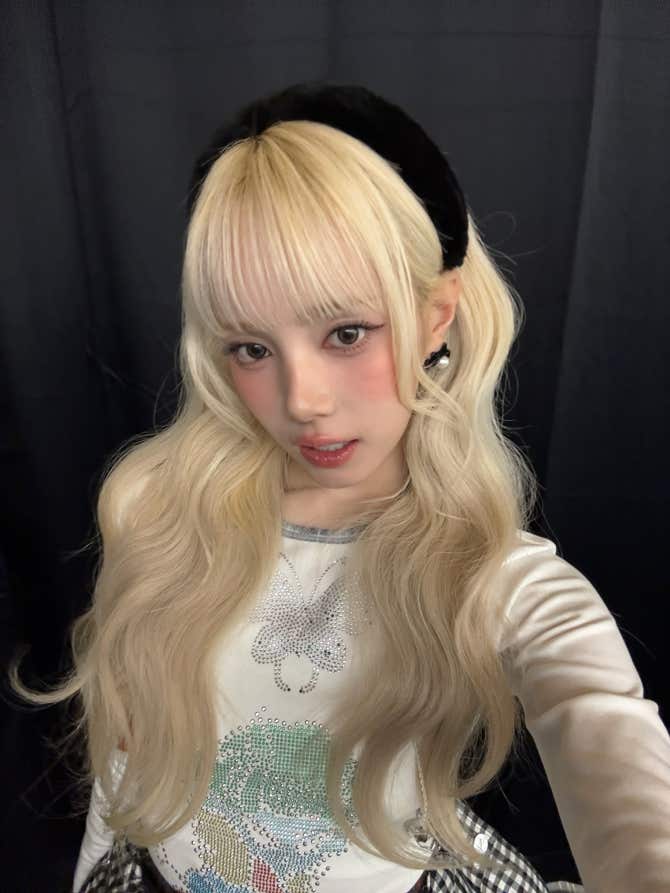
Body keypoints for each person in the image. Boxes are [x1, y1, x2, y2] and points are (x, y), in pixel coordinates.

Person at [8, 82, 670, 893]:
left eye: (347, 332)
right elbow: (127, 760)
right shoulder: (157, 512)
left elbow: (615, 755)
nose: (303, 400)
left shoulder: (501, 582)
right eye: (252, 348)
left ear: (437, 315)